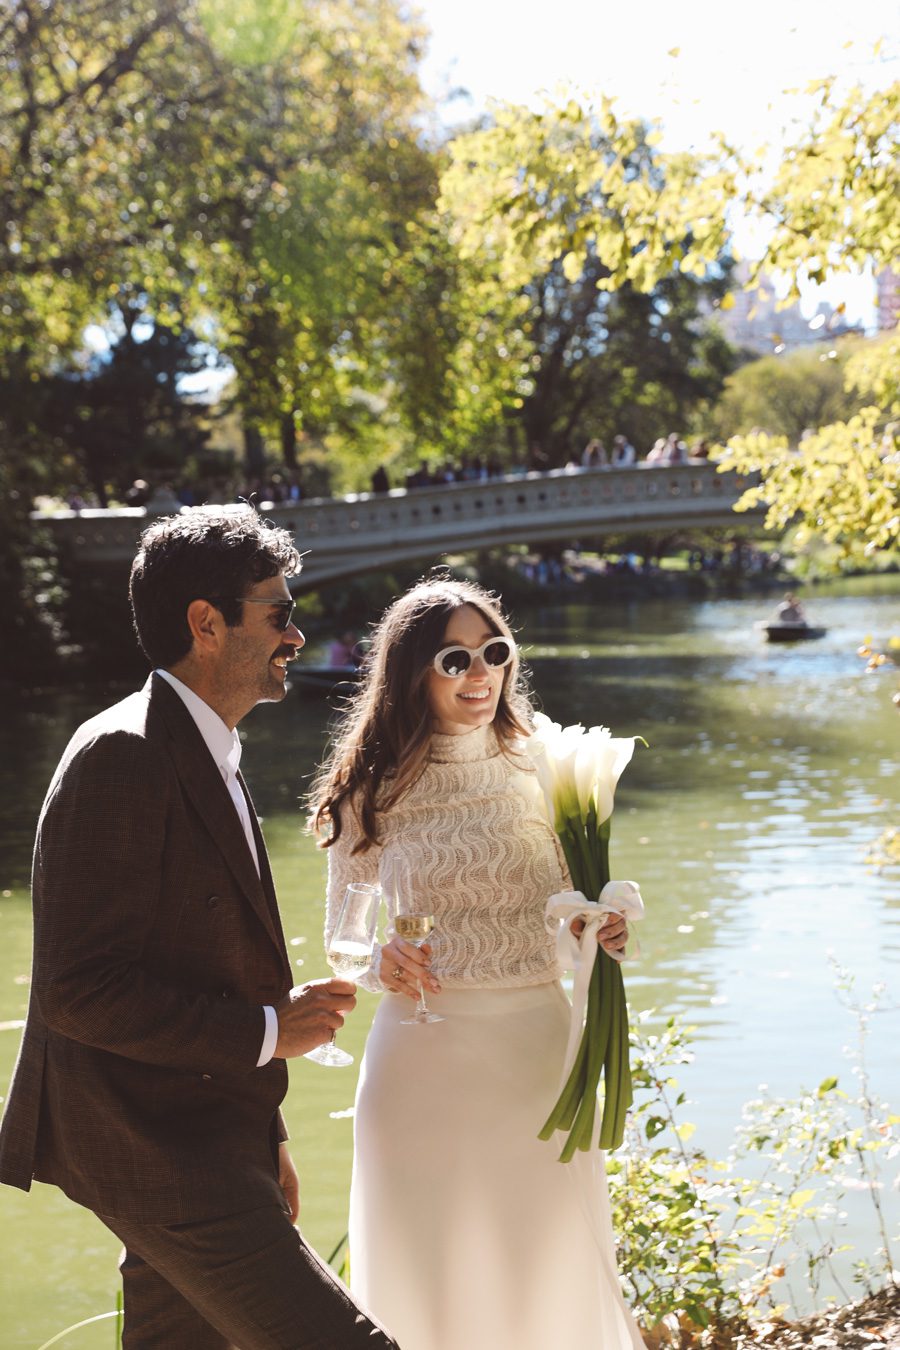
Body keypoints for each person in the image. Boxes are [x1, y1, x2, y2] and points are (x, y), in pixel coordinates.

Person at [0, 505, 398, 1350]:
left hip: (205, 1132)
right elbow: (78, 992)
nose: (295, 636)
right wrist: (267, 1029)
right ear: (206, 624)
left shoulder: (206, 744)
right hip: (152, 1143)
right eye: (280, 614)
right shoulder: (124, 754)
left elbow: (208, 963)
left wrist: (267, 1135)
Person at [309, 576, 644, 1350]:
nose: (480, 673)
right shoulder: (373, 788)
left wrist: (606, 932)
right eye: (454, 659)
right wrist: (380, 962)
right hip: (422, 1057)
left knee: (545, 1265)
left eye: (494, 652)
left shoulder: (547, 765)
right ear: (411, 672)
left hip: (535, 1048)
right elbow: (345, 940)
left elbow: (574, 913)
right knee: (429, 1270)